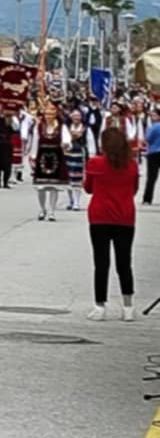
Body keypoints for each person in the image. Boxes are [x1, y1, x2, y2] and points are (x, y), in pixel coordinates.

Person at [85, 125, 139, 322]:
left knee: (101, 262)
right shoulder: (132, 165)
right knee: (124, 262)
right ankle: (128, 306)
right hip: (125, 216)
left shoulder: (95, 163)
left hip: (99, 216)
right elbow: (134, 189)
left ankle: (100, 306)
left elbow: (88, 188)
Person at [28, 104, 70, 220]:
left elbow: (67, 139)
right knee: (41, 186)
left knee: (53, 186)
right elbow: (35, 141)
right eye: (47, 114)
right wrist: (33, 157)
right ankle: (42, 209)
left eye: (51, 114)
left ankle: (51, 211)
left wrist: (66, 143)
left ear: (56, 114)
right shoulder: (39, 126)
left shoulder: (61, 126)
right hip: (42, 156)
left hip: (56, 156)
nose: (48, 116)